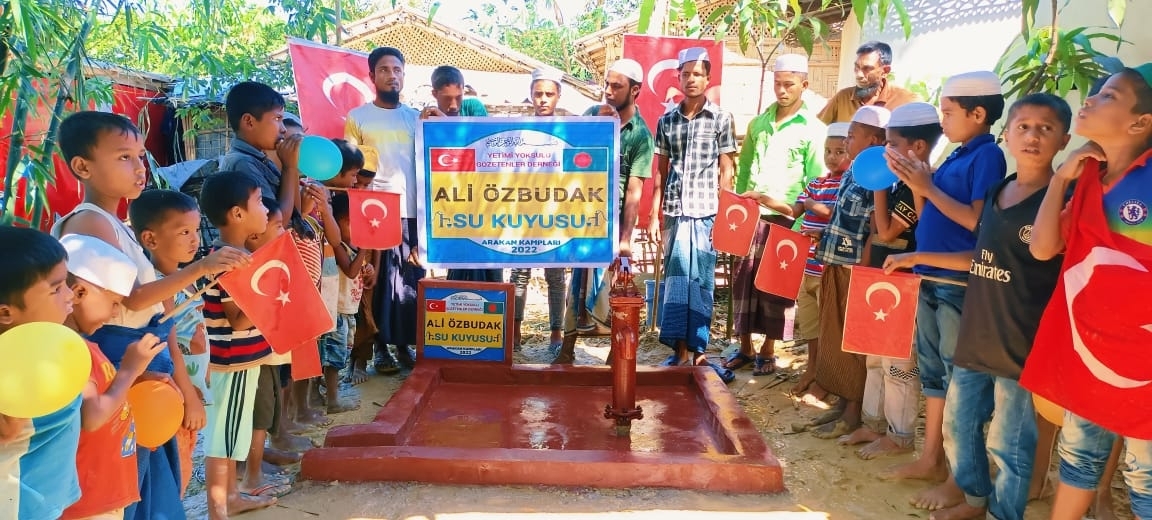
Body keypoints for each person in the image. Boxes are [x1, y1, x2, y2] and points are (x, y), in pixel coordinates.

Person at [52, 110, 247, 520]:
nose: (139, 167)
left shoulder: (113, 223)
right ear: (83, 167)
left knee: (151, 474)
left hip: (141, 355)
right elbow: (135, 300)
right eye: (124, 157)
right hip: (122, 359)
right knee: (133, 477)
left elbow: (145, 304)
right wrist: (200, 268)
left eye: (140, 156)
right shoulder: (89, 222)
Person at [885, 93, 1072, 520]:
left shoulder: (1063, 199)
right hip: (978, 328)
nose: (1033, 136)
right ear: (1008, 133)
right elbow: (983, 256)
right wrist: (917, 256)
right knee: (959, 422)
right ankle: (973, 500)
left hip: (1021, 339)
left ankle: (1003, 513)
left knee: (1009, 441)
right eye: (1023, 127)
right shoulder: (997, 191)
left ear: (1064, 140)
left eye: (1045, 128)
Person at [1023, 64, 1152, 520]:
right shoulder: (1088, 178)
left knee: (1145, 478)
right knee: (1078, 458)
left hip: (1142, 360)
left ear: (1140, 122)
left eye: (1110, 96)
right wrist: (1061, 179)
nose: (1091, 99)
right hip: (1090, 351)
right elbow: (1043, 248)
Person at [882, 72, 1008, 513]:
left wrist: (928, 186)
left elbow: (976, 221)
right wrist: (920, 186)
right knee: (935, 376)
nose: (943, 121)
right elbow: (927, 212)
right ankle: (931, 458)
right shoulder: (957, 154)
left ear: (978, 114)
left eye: (949, 112)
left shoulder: (988, 156)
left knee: (961, 385)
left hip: (957, 283)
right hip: (931, 275)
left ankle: (961, 478)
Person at [837, 102, 940, 460]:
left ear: (918, 147)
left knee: (899, 363)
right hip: (883, 279)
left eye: (892, 144)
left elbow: (885, 231)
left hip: (905, 284)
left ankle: (901, 435)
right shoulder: (901, 184)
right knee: (874, 358)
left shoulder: (916, 187)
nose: (886, 151)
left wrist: (879, 185)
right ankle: (874, 424)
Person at [727, 53, 827, 376]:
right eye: (777, 84)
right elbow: (744, 169)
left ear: (804, 85)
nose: (782, 90)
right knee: (743, 281)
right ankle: (745, 347)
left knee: (777, 286)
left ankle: (768, 349)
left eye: (789, 84)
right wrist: (738, 212)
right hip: (752, 215)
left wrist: (802, 226)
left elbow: (814, 181)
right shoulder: (758, 124)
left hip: (788, 218)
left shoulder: (814, 130)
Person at [58, 234, 167, 520]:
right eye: (114, 301)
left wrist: (138, 378)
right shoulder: (71, 349)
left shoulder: (86, 347)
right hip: (88, 501)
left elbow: (102, 391)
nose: (116, 312)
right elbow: (92, 416)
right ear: (79, 293)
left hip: (103, 494)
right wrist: (130, 371)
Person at [553, 58, 654, 364]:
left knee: (615, 287)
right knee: (577, 283)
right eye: (607, 84)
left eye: (616, 86)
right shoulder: (590, 115)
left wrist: (625, 239)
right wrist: (596, 126)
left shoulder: (640, 135)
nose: (608, 91)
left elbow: (634, 191)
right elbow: (565, 154)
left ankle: (615, 354)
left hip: (614, 222)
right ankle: (567, 349)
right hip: (583, 215)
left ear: (635, 90)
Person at [801, 105, 890, 438]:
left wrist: (863, 270)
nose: (847, 140)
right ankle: (841, 403)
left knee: (853, 341)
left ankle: (854, 411)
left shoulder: (881, 176)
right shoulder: (854, 172)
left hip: (855, 268)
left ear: (875, 140)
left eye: (853, 135)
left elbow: (875, 230)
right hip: (835, 261)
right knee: (835, 338)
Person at [649, 47, 738, 378]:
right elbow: (660, 172)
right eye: (685, 74)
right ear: (678, 77)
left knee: (701, 281)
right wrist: (653, 215)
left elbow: (727, 170)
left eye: (697, 74)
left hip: (707, 213)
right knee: (676, 280)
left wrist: (726, 214)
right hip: (674, 210)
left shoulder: (721, 118)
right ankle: (679, 351)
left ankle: (699, 353)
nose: (691, 79)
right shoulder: (666, 121)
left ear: (708, 78)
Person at [197, 171, 276, 518]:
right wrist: (272, 290)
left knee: (232, 433)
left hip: (242, 357)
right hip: (233, 360)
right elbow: (239, 320)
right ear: (238, 213)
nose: (265, 209)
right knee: (223, 437)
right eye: (259, 201)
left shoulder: (234, 254)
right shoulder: (232, 260)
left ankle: (230, 496)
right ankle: (219, 508)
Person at [345, 46, 423, 371]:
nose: (392, 75)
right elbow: (351, 167)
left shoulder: (416, 118)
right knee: (377, 281)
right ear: (372, 76)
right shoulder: (358, 117)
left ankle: (404, 346)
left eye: (397, 70)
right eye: (385, 69)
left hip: (413, 210)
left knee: (409, 281)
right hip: (375, 211)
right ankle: (379, 347)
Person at [0, 227, 82, 520]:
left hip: (45, 499)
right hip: (17, 506)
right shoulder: (15, 364)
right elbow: (8, 431)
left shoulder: (45, 345)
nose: (70, 295)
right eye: (56, 289)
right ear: (5, 313)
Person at [509, 68, 570, 353]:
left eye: (549, 94)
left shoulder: (569, 129)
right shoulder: (517, 130)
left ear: (558, 95)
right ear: (530, 95)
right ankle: (515, 332)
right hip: (522, 212)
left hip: (556, 213)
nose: (543, 99)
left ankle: (557, 333)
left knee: (555, 276)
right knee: (519, 274)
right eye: (538, 94)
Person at [424, 65, 503, 284]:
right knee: (458, 274)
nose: (453, 105)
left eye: (458, 98)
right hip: (454, 212)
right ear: (434, 94)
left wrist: (446, 124)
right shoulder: (428, 120)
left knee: (493, 275)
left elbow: (484, 139)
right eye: (446, 98)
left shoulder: (473, 107)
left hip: (486, 208)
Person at [789, 122, 850, 394]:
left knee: (829, 327)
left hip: (830, 269)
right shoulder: (816, 183)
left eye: (839, 151)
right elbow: (792, 211)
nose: (831, 157)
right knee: (811, 325)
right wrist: (761, 199)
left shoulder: (849, 185)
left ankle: (827, 378)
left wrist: (812, 205)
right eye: (827, 151)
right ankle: (812, 369)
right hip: (808, 267)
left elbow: (836, 216)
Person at [309, 139, 366, 413]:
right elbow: (344, 259)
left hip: (336, 298)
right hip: (328, 295)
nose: (355, 181)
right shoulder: (315, 197)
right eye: (353, 174)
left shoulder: (327, 199)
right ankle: (330, 400)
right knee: (329, 352)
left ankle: (320, 397)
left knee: (331, 350)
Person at [818, 41, 918, 124]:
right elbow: (818, 129)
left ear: (885, 71)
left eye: (867, 68)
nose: (859, 75)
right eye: (857, 67)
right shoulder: (842, 98)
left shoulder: (906, 101)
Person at [329, 192, 371, 387]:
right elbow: (351, 271)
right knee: (334, 356)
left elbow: (360, 269)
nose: (355, 229)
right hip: (337, 311)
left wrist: (369, 268)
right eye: (349, 223)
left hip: (350, 310)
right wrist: (364, 249)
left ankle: (331, 387)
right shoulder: (338, 246)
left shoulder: (353, 247)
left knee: (343, 352)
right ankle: (332, 394)